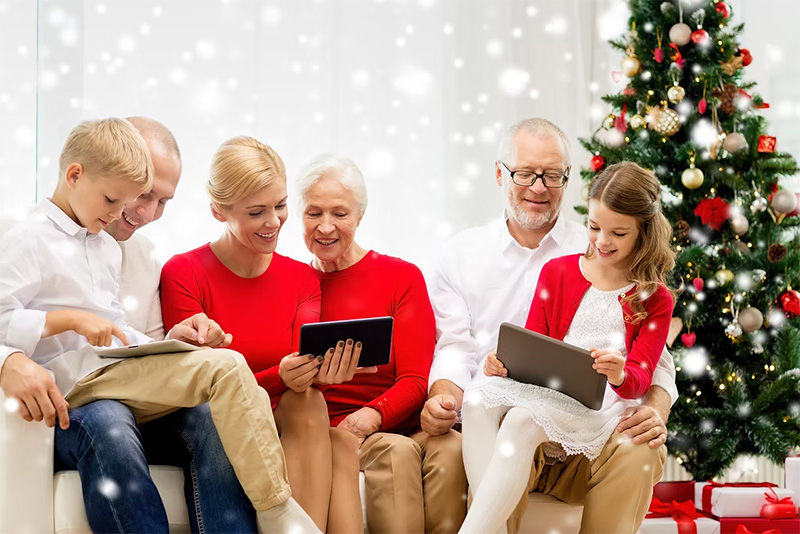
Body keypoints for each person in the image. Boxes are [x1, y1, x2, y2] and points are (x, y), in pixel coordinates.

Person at [0, 118, 320, 534]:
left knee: (215, 392)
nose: (132, 214)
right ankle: (276, 508)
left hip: (109, 370)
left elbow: (116, 329)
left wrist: (170, 343)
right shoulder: (25, 237)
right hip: (71, 384)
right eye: (119, 199)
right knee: (222, 368)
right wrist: (65, 322)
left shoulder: (104, 247)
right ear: (75, 175)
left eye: (159, 201)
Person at [422, 118, 679, 533]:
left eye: (552, 176)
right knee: (485, 408)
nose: (538, 187)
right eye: (525, 173)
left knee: (638, 448)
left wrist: (656, 406)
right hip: (504, 405)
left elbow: (654, 360)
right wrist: (447, 394)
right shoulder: (462, 254)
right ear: (499, 173)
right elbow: (454, 346)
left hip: (585, 417)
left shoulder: (598, 250)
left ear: (567, 179)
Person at [48, 116, 256, 533]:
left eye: (163, 201)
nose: (146, 213)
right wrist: (9, 359)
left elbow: (138, 350)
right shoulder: (35, 239)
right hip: (74, 411)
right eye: (142, 194)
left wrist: (174, 341)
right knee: (108, 418)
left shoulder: (142, 256)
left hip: (134, 406)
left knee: (211, 414)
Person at [160, 136, 363, 533]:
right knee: (301, 401)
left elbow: (301, 369)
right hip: (216, 419)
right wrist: (278, 378)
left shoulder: (302, 277)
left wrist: (321, 371)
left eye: (281, 205)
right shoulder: (183, 272)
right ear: (219, 211)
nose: (274, 222)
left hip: (284, 413)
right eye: (256, 212)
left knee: (307, 401)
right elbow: (196, 389)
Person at [296, 153, 467, 534]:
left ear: (360, 216)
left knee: (452, 449)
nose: (325, 226)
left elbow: (415, 380)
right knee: (396, 451)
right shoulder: (292, 283)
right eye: (313, 213)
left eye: (339, 213)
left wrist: (371, 417)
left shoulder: (400, 277)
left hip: (396, 421)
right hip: (333, 429)